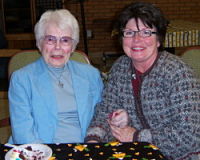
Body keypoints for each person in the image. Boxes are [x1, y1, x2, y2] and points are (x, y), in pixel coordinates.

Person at [85, 2, 200, 160]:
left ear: (158, 40)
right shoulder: (120, 68)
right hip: (139, 152)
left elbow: (191, 135)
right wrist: (94, 139)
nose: (137, 40)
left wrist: (137, 136)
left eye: (146, 32)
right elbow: (106, 109)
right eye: (129, 33)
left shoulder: (177, 72)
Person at [8, 9, 103, 144]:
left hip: (86, 147)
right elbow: (23, 132)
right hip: (40, 150)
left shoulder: (91, 74)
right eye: (50, 39)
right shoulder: (22, 79)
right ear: (39, 43)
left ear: (73, 46)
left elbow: (101, 115)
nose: (57, 47)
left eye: (65, 40)